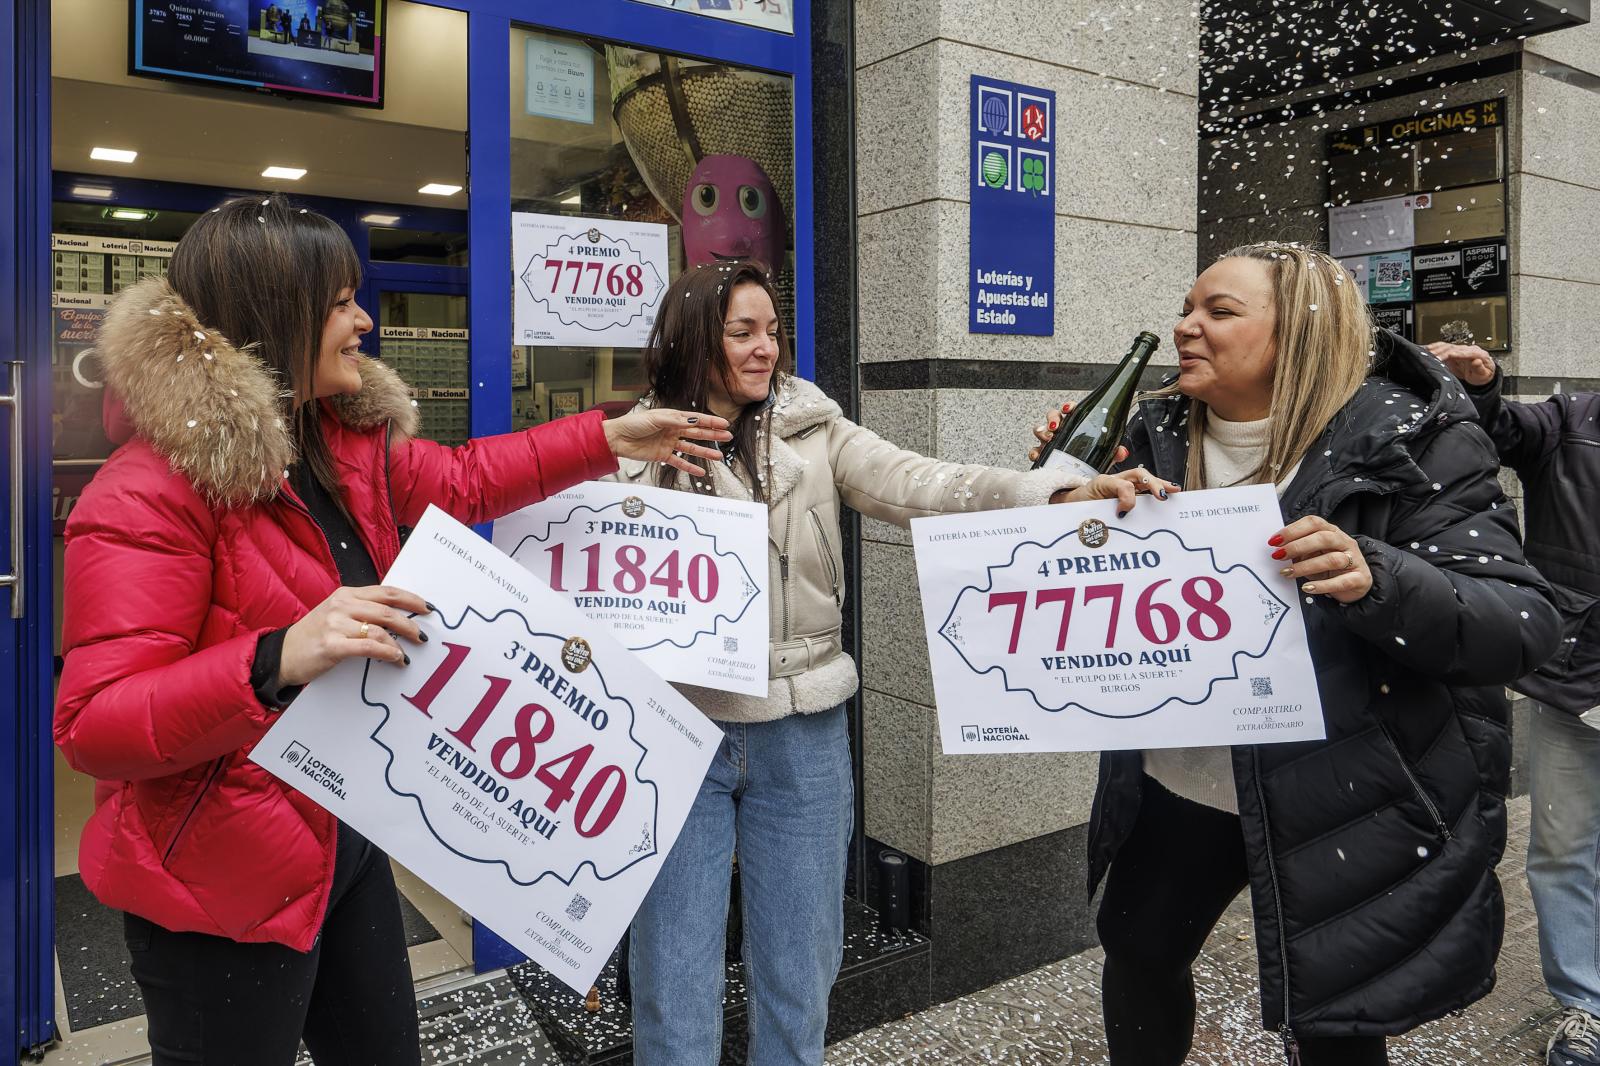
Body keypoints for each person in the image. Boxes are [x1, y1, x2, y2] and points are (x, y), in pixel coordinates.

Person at [52, 193, 728, 1066]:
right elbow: (96, 724)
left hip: (345, 837)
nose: (363, 320)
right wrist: (277, 655)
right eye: (339, 303)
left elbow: (472, 478)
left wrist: (610, 437)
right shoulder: (145, 494)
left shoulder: (341, 442)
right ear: (274, 315)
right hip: (214, 882)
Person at [615, 260, 1167, 1066]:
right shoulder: (629, 447)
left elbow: (923, 483)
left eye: (773, 331)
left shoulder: (816, 427)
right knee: (670, 975)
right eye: (743, 332)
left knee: (801, 970)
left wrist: (1045, 495)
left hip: (803, 734)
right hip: (676, 730)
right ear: (694, 337)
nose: (766, 348)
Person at [1031, 243, 1561, 1065]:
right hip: (1187, 779)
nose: (1185, 327)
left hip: (1344, 787)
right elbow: (1077, 573)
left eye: (1219, 311)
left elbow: (1522, 623)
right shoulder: (1152, 428)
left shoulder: (1413, 438)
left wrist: (1376, 576)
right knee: (1136, 952)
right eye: (1187, 307)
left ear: (1302, 333)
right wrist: (1062, 499)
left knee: (1336, 1025)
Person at [1431, 340, 1600, 1066]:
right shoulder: (1573, 421)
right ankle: (1585, 1005)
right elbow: (1499, 430)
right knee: (1564, 851)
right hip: (1581, 680)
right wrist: (1483, 382)